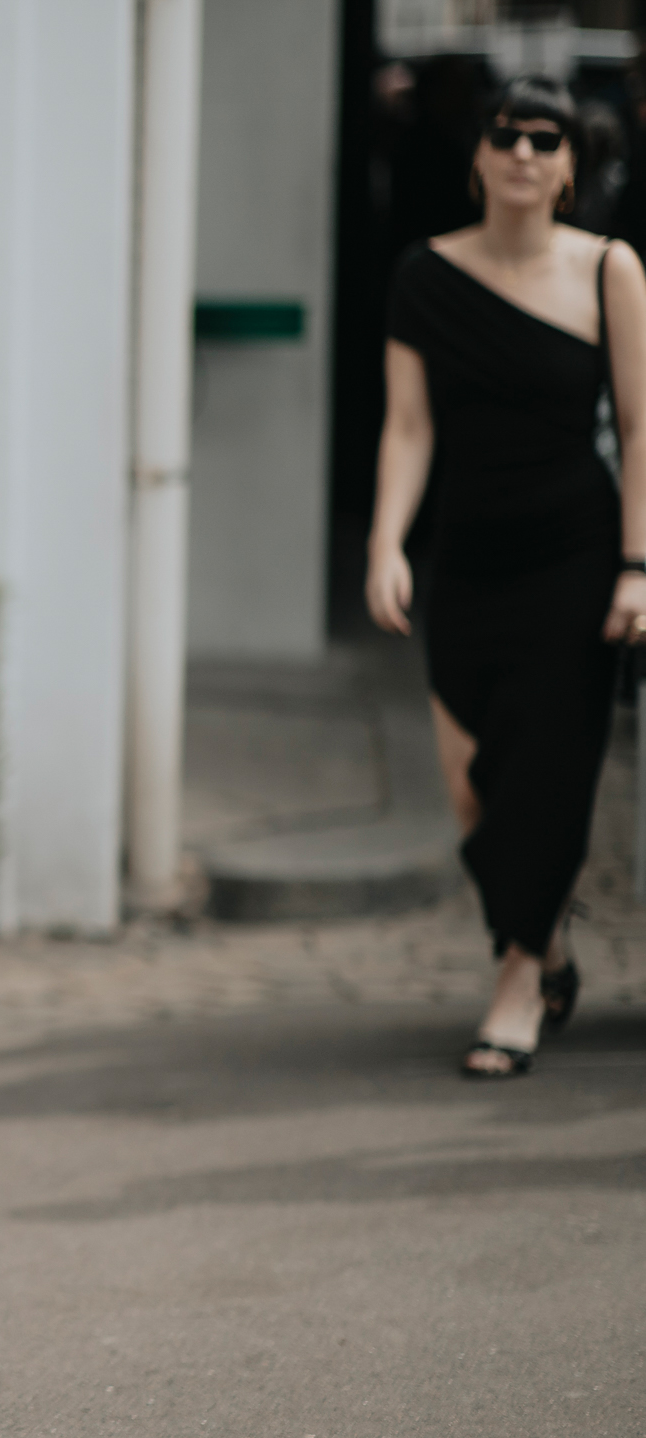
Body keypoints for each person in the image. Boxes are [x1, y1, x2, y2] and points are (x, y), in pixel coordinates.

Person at [369, 75, 646, 1077]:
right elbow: (407, 426)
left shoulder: (611, 270)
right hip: (467, 555)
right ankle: (550, 935)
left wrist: (635, 565)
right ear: (478, 157)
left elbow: (642, 430)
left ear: (570, 166)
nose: (523, 152)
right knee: (470, 787)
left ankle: (516, 980)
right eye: (505, 135)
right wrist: (383, 542)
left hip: (574, 557)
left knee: (545, 773)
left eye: (546, 138)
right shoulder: (422, 276)